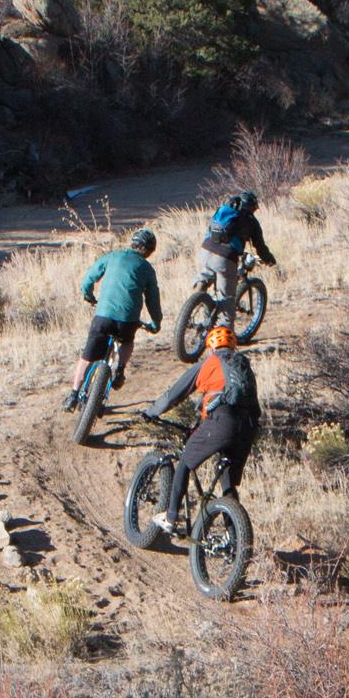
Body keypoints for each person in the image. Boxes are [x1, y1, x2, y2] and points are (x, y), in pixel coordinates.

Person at [142, 323, 261, 533]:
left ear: (211, 347)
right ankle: (234, 540)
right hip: (249, 427)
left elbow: (175, 394)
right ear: (233, 347)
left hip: (223, 421)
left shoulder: (210, 362)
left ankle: (170, 517)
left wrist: (152, 411)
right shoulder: (243, 366)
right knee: (228, 485)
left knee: (185, 462)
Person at [70, 227, 161, 409]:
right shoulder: (147, 268)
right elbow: (152, 299)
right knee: (127, 341)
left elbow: (89, 278)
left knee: (86, 358)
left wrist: (87, 295)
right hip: (127, 321)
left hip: (103, 316)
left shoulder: (112, 256)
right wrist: (155, 322)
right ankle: (120, 370)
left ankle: (73, 395)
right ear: (149, 250)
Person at [199, 190, 277, 309]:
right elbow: (260, 247)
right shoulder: (251, 221)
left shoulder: (224, 211)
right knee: (227, 303)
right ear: (251, 207)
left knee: (207, 274)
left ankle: (193, 306)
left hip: (205, 251)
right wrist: (269, 259)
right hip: (225, 257)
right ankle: (221, 323)